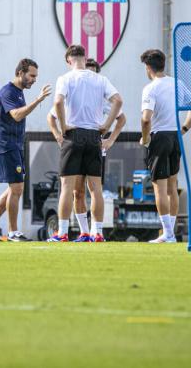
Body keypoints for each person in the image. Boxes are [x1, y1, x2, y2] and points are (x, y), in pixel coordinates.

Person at [47, 44, 123, 243]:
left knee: (66, 187)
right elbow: (118, 101)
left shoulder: (65, 78)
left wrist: (63, 127)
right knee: (95, 188)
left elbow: (57, 103)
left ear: (68, 60)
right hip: (94, 136)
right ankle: (96, 233)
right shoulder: (100, 79)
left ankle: (62, 232)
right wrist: (106, 126)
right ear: (84, 57)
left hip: (74, 133)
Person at [0, 59, 51, 242]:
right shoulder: (7, 92)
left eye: (36, 76)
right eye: (32, 75)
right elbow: (17, 115)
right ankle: (12, 232)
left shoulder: (18, 92)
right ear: (20, 72)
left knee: (15, 188)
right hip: (6, 146)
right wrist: (38, 100)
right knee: (17, 188)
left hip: (16, 146)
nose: (34, 80)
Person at [140, 49, 191, 243]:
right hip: (175, 136)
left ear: (148, 68)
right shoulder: (177, 83)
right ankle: (170, 233)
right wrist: (184, 128)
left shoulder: (150, 88)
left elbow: (146, 119)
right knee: (173, 186)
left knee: (160, 188)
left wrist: (145, 139)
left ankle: (168, 234)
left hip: (159, 137)